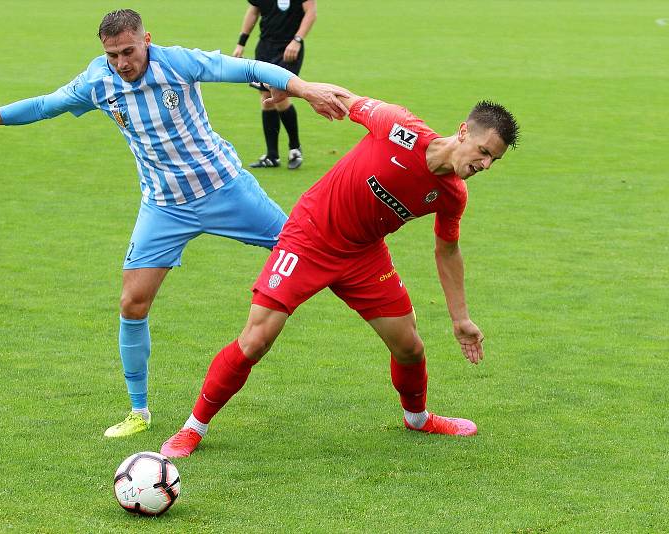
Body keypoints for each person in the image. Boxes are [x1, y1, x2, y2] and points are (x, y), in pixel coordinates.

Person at [0, 9, 349, 438]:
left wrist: (305, 88)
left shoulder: (178, 63)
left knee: (308, 250)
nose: (121, 63)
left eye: (128, 51)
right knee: (132, 303)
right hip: (164, 207)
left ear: (146, 39)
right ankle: (138, 411)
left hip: (227, 190)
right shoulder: (98, 81)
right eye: (112, 55)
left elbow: (249, 67)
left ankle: (375, 298)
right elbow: (44, 105)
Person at [160, 90, 519, 458]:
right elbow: (347, 99)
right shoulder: (399, 127)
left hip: (365, 255)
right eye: (484, 151)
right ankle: (193, 428)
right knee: (256, 339)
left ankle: (418, 418)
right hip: (310, 237)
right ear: (463, 132)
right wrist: (295, 90)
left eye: (494, 159)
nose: (486, 164)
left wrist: (460, 319)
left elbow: (447, 251)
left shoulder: (453, 195)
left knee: (409, 347)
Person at [233, 0, 317, 170]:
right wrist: (241, 43)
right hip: (265, 48)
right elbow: (253, 11)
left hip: (289, 49)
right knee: (265, 97)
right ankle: (272, 156)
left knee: (279, 95)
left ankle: (295, 149)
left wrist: (297, 40)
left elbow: (311, 12)